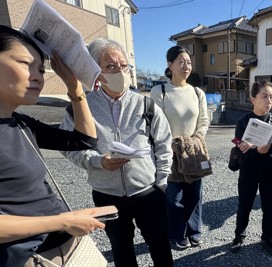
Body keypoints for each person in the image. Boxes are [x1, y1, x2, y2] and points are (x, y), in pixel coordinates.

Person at [60, 38, 174, 267]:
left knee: (160, 245)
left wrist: (161, 182)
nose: (119, 71)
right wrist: (98, 161)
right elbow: (69, 148)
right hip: (106, 193)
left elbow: (164, 143)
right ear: (95, 72)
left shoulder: (146, 105)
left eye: (123, 65)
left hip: (147, 191)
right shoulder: (80, 108)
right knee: (121, 249)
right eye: (110, 66)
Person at [0, 25, 104, 266]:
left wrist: (74, 87)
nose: (38, 76)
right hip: (29, 257)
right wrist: (64, 222)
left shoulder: (21, 123)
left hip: (70, 248)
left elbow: (84, 140)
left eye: (41, 69)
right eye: (26, 64)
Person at [150, 46, 209, 249]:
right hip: (169, 150)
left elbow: (203, 120)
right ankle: (176, 233)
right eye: (181, 61)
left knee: (195, 194)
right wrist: (171, 142)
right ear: (170, 65)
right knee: (173, 197)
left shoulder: (197, 92)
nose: (186, 66)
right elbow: (155, 123)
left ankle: (195, 231)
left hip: (193, 149)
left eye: (189, 62)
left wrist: (197, 138)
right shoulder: (160, 91)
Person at [229, 81, 272, 256]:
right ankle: (239, 235)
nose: (269, 100)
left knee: (269, 206)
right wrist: (256, 150)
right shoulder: (243, 122)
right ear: (252, 99)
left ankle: (267, 239)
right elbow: (241, 150)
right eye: (264, 96)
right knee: (244, 204)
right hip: (249, 170)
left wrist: (269, 148)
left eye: (271, 97)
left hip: (269, 170)